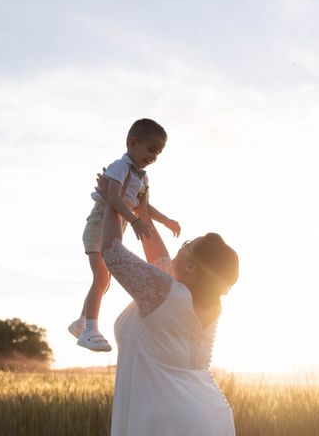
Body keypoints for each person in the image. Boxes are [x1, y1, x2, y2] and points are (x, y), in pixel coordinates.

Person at [98, 175, 239, 435]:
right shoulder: (201, 301)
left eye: (187, 245)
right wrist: (143, 213)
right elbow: (161, 262)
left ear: (191, 267)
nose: (181, 247)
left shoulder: (164, 293)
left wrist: (112, 202)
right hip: (209, 414)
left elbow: (112, 252)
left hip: (168, 419)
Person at [69, 119, 181, 352]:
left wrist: (166, 220)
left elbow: (144, 206)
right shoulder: (120, 167)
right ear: (132, 142)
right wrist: (135, 221)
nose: (154, 157)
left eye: (158, 153)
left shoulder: (142, 177)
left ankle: (81, 322)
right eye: (151, 150)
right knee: (101, 277)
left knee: (104, 280)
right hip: (101, 223)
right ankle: (89, 330)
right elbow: (113, 197)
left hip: (118, 225)